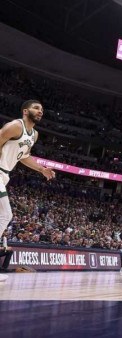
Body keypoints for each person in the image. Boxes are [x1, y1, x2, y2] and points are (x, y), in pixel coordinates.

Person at [0, 100, 56, 282]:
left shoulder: (34, 134)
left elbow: (24, 157)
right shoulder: (16, 126)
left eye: (42, 109)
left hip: (4, 175)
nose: (40, 111)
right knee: (5, 215)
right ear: (25, 111)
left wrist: (41, 169)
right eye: (36, 108)